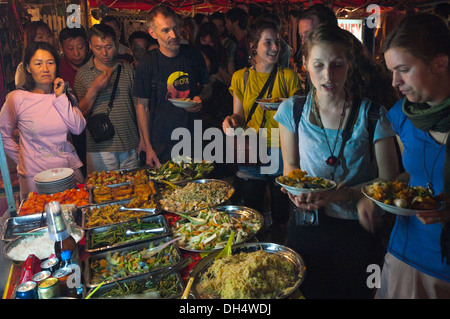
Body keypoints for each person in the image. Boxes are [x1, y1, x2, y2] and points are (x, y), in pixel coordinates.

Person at [274, 24, 400, 298]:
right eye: (318, 65)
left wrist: (338, 195)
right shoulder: (291, 111)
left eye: (337, 65)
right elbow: (291, 167)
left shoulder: (374, 115)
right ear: (305, 64)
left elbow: (389, 180)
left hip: (357, 229)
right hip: (307, 224)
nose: (327, 75)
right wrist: (299, 192)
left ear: (350, 65)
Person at [358, 13, 450, 299]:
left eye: (404, 70)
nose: (395, 82)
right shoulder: (401, 116)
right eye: (391, 72)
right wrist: (378, 196)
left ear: (440, 63)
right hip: (405, 255)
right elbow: (411, 174)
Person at [222, 18, 302, 243]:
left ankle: (279, 251)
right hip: (249, 148)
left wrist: (285, 104)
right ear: (253, 46)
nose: (275, 48)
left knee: (280, 213)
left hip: (280, 149)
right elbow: (238, 114)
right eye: (268, 43)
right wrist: (230, 121)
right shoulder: (241, 77)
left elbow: (298, 114)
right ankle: (253, 251)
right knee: (252, 211)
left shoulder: (288, 76)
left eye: (277, 42)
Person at [0, 42, 86, 200]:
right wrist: (23, 158)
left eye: (50, 63)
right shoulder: (17, 98)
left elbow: (78, 128)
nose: (45, 69)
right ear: (28, 67)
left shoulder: (65, 95)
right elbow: (3, 135)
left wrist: (60, 97)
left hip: (67, 173)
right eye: (38, 63)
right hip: (34, 179)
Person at [133, 5, 210, 166]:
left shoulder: (193, 55)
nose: (174, 35)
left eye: (176, 28)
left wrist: (200, 98)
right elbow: (142, 106)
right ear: (152, 33)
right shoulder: (148, 62)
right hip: (161, 143)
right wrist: (147, 145)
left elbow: (208, 87)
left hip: (193, 139)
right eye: (166, 30)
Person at [74, 24, 140, 174]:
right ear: (90, 45)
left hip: (130, 144)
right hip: (99, 149)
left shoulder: (128, 70)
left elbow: (139, 108)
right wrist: (95, 88)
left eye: (109, 47)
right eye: (98, 47)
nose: (104, 52)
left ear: (117, 44)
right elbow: (78, 114)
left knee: (134, 191)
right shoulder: (83, 74)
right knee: (102, 192)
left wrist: (143, 139)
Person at [58, 26, 90, 178]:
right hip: (70, 135)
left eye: (80, 47)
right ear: (62, 48)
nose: (76, 53)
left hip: (91, 131)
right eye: (70, 48)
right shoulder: (57, 70)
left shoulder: (93, 65)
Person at [15, 21, 56, 89]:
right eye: (40, 37)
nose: (46, 40)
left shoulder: (57, 61)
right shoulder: (22, 68)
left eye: (49, 36)